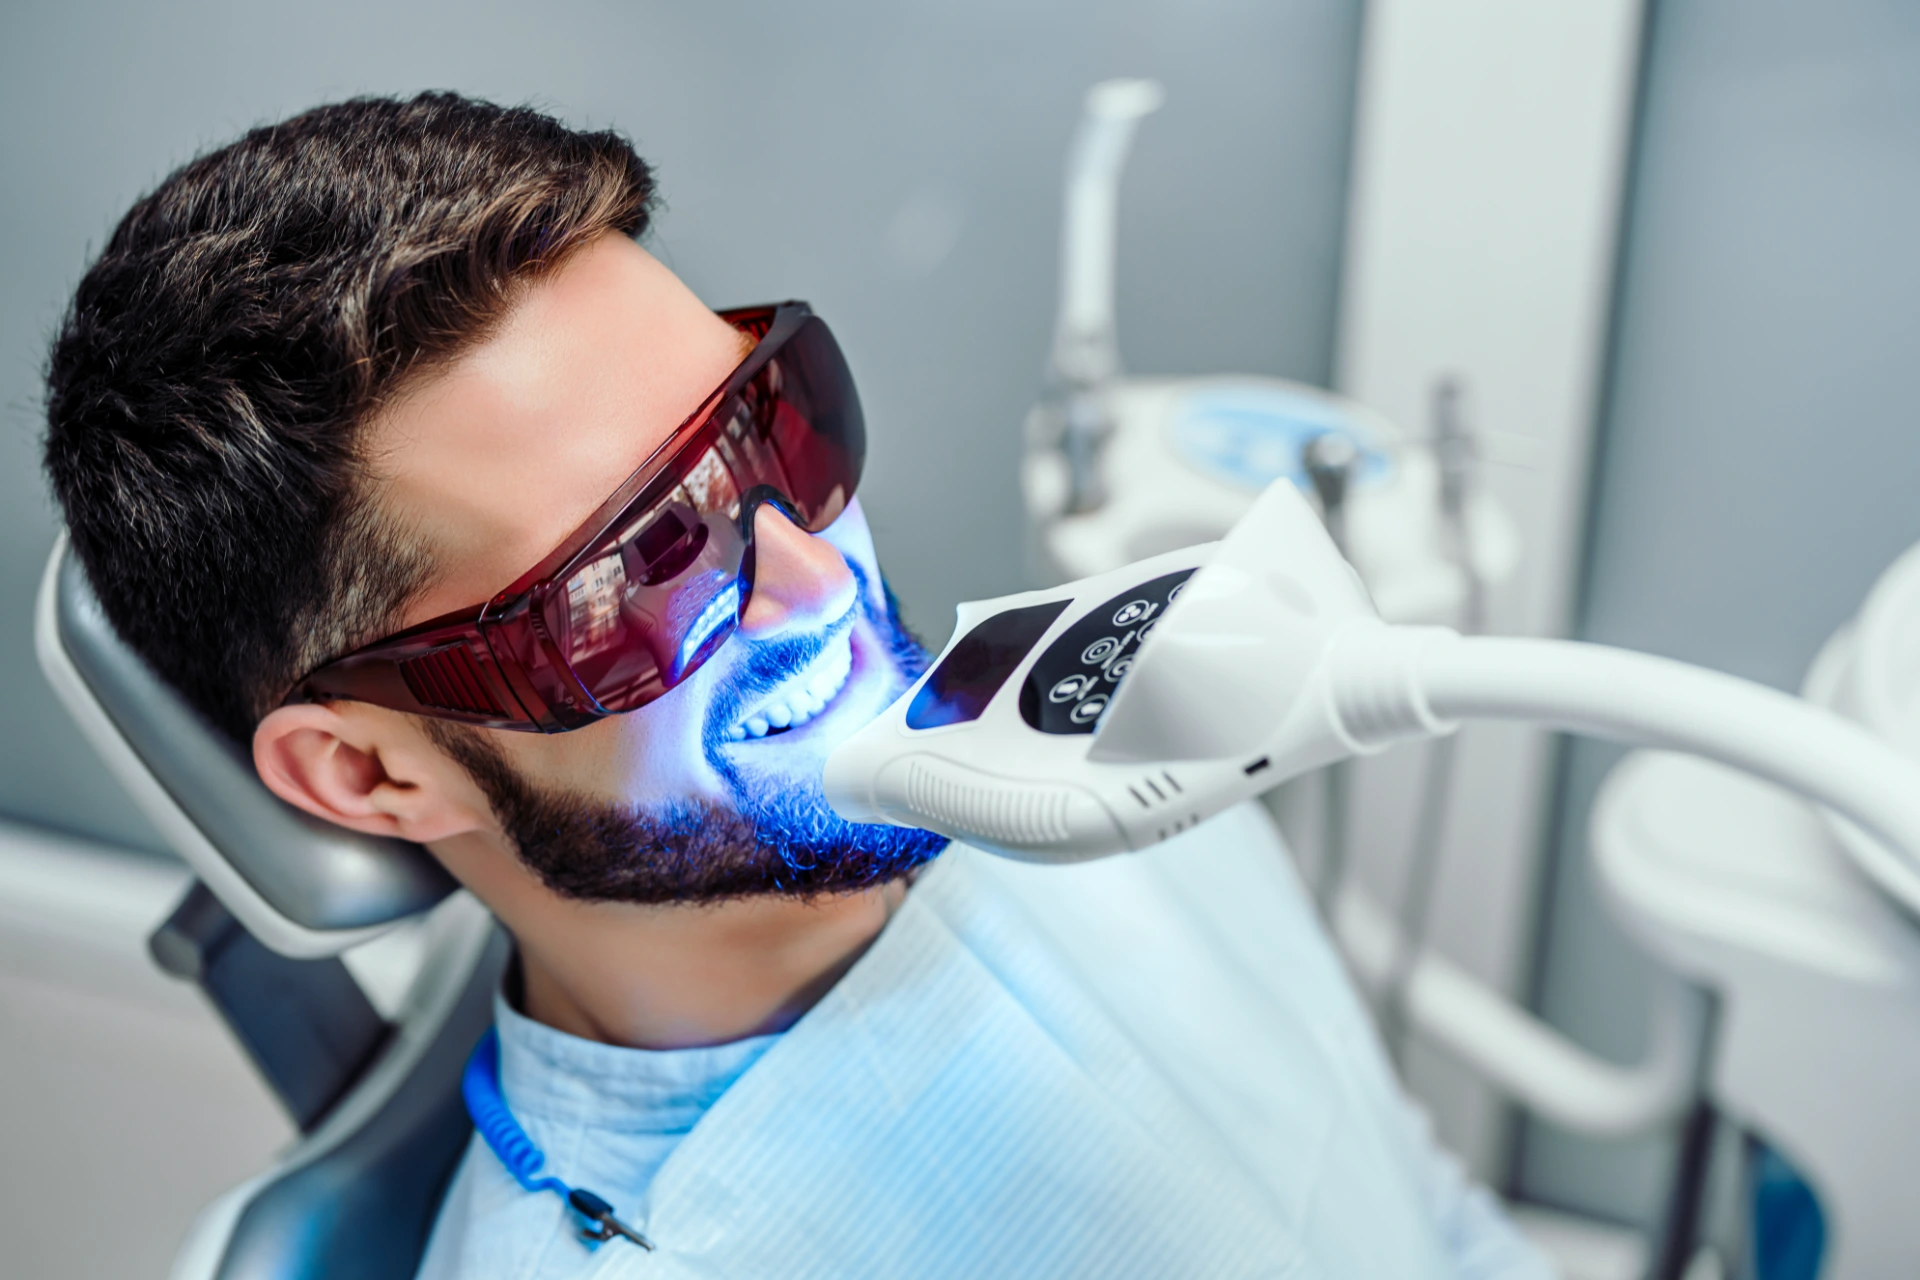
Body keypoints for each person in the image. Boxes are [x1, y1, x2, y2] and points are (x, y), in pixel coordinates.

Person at [43, 93, 1552, 1278]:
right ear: (376, 773)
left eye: (774, 431)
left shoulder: (1100, 728)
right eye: (629, 574)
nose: (823, 588)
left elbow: (1412, 1205)